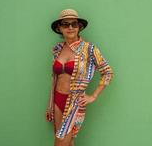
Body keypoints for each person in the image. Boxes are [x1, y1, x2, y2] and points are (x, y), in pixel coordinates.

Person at [45, 9, 114, 146]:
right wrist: (50, 103)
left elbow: (108, 72)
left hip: (75, 102)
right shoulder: (57, 49)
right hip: (57, 99)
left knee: (60, 143)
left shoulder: (89, 49)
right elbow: (55, 78)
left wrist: (93, 96)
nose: (70, 27)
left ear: (79, 27)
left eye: (74, 24)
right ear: (59, 28)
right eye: (65, 24)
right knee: (68, 142)